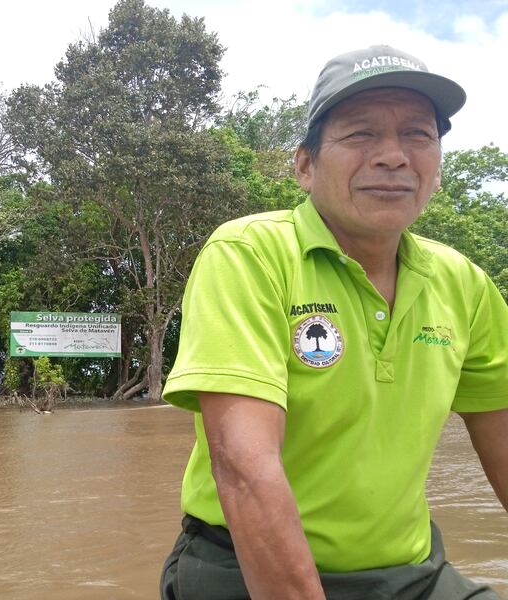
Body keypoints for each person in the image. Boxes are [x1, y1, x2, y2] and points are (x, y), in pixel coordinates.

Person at [160, 44, 508, 600]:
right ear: (305, 165)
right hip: (243, 567)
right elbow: (244, 466)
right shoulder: (250, 254)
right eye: (360, 134)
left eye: (418, 135)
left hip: (411, 573)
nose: (394, 156)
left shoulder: (463, 283)